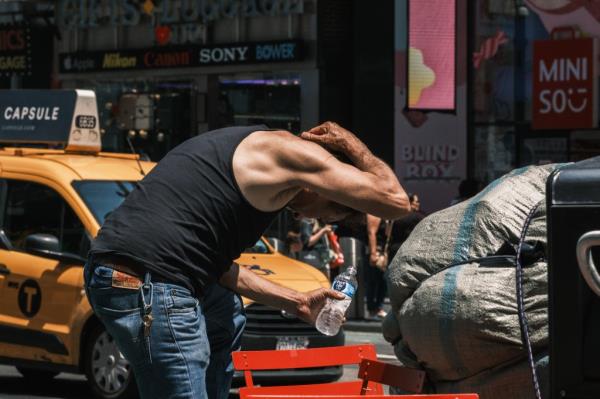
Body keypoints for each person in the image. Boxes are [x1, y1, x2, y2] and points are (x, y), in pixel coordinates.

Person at [84, 121, 410, 399]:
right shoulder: (289, 152)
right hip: (147, 281)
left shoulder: (262, 174)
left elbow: (219, 269)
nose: (305, 215)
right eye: (326, 211)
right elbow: (396, 201)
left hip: (149, 273)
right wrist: (354, 147)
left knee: (227, 310)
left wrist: (297, 301)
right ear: (330, 187)